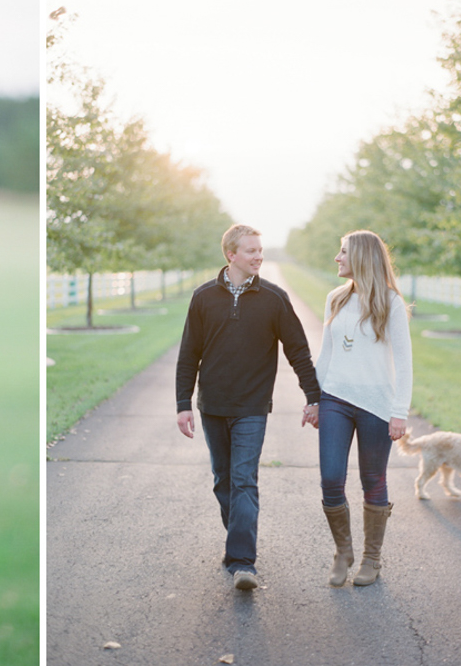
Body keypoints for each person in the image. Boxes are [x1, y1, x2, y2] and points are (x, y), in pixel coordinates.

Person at [175, 224, 321, 591]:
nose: (259, 256)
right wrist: (183, 404)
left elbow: (298, 350)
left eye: (260, 250)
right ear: (231, 255)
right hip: (212, 405)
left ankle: (243, 562)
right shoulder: (203, 297)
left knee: (243, 480)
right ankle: (236, 542)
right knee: (223, 480)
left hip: (252, 407)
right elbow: (188, 354)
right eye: (251, 251)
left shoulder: (274, 298)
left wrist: (313, 396)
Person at [315, 230, 412, 587]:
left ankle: (372, 558)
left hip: (376, 403)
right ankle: (343, 551)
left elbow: (404, 363)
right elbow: (326, 353)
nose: (337, 258)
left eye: (342, 252)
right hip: (334, 400)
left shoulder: (391, 303)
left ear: (361, 257)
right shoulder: (335, 299)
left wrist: (399, 411)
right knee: (330, 477)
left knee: (373, 480)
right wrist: (314, 398)